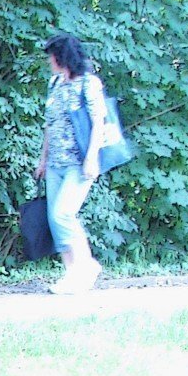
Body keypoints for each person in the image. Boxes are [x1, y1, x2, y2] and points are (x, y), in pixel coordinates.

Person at [33, 33, 109, 294]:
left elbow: (99, 121)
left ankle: (85, 266)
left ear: (61, 57)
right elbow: (50, 125)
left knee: (63, 213)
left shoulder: (89, 84)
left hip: (79, 162)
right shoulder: (55, 83)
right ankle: (71, 275)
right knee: (56, 220)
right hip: (55, 163)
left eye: (51, 56)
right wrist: (43, 160)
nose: (48, 61)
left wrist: (91, 158)